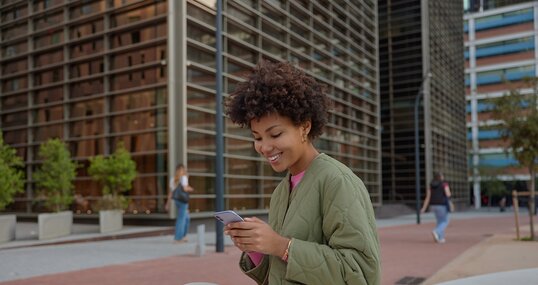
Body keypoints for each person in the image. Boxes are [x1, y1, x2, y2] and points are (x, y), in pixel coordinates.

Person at [223, 60, 381, 285]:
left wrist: (281, 245)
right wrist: (256, 247)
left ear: (304, 127)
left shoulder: (337, 182)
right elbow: (279, 273)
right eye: (257, 137)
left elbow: (361, 273)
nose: (265, 147)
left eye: (275, 134)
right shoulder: (281, 191)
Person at [166, 163, 194, 242]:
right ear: (182, 170)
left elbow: (171, 193)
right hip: (183, 201)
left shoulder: (172, 179)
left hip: (177, 200)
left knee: (186, 218)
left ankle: (184, 235)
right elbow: (185, 189)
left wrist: (167, 204)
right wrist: (190, 189)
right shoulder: (184, 178)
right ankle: (178, 238)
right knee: (181, 219)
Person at [421, 172, 452, 244]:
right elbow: (448, 194)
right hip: (442, 205)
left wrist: (424, 208)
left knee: (439, 221)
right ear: (441, 177)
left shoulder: (431, 185)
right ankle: (436, 231)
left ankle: (440, 238)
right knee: (445, 221)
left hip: (433, 205)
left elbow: (428, 197)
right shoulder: (444, 184)